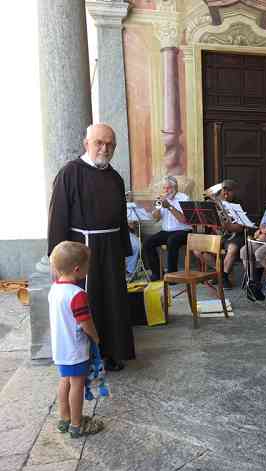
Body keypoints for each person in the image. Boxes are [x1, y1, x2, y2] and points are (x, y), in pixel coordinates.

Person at [48, 123, 134, 372]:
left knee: (113, 301)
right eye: (99, 142)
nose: (104, 148)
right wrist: (57, 259)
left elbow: (120, 219)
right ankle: (86, 357)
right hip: (80, 249)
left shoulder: (116, 178)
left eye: (110, 144)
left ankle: (112, 353)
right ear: (87, 143)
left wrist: (123, 252)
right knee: (88, 302)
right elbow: (58, 217)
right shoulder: (69, 173)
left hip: (111, 249)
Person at [48, 241, 104, 438]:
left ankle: (64, 419)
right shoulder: (77, 294)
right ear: (78, 269)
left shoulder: (54, 289)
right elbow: (85, 322)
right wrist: (96, 337)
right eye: (88, 265)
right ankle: (77, 424)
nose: (89, 268)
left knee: (65, 381)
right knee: (78, 385)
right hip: (75, 348)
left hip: (60, 348)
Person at [142, 176, 191, 281]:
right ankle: (157, 273)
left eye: (168, 188)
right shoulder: (163, 199)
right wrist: (158, 207)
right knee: (147, 242)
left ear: (175, 187)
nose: (166, 191)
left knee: (172, 240)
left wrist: (169, 206)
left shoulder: (184, 198)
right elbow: (156, 219)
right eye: (164, 188)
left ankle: (172, 275)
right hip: (166, 231)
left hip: (183, 231)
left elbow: (184, 220)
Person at [203, 179, 244, 289]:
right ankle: (220, 273)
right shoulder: (214, 205)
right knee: (199, 250)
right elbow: (211, 224)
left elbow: (241, 227)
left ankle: (223, 277)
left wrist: (228, 226)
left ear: (234, 192)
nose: (225, 194)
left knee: (232, 249)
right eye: (223, 191)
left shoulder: (238, 205)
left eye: (228, 192)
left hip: (234, 235)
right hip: (219, 235)